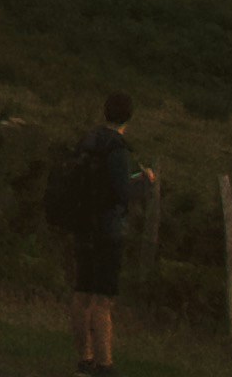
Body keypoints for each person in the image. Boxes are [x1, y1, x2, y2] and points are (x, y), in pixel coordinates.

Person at [41, 95, 158, 371]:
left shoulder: (88, 141)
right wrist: (145, 183)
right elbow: (121, 192)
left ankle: (85, 359)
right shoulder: (116, 148)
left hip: (83, 225)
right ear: (129, 117)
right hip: (107, 230)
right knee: (103, 300)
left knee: (82, 293)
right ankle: (105, 364)